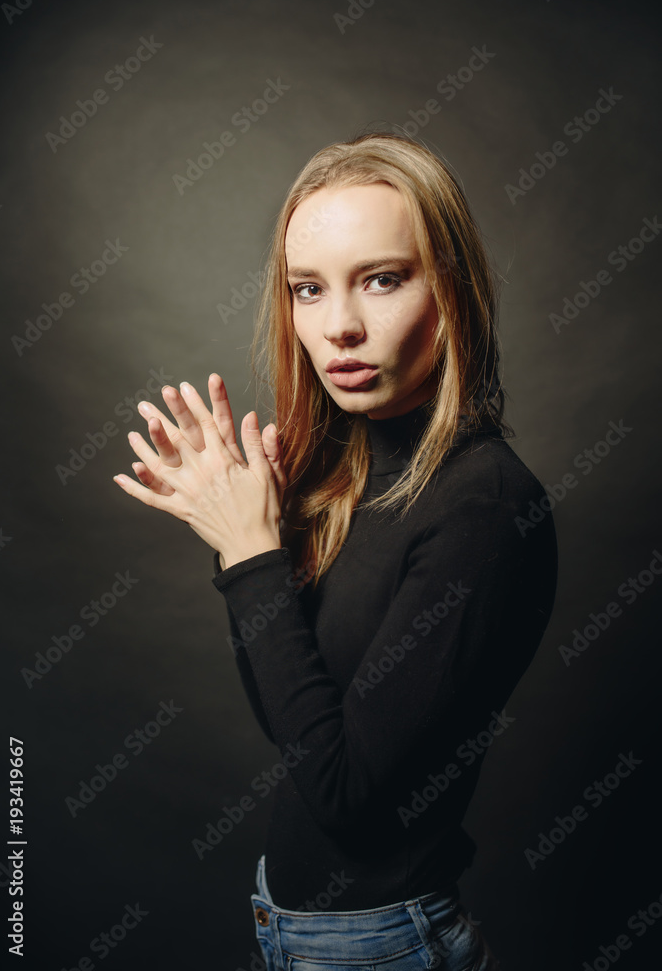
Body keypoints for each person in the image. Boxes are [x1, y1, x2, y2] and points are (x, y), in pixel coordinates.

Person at [113, 132, 558, 970]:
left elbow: (348, 799)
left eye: (382, 279)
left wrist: (251, 561)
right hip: (294, 931)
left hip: (378, 949)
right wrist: (248, 541)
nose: (340, 327)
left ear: (452, 290)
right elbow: (299, 729)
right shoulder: (349, 478)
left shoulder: (487, 510)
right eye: (308, 290)